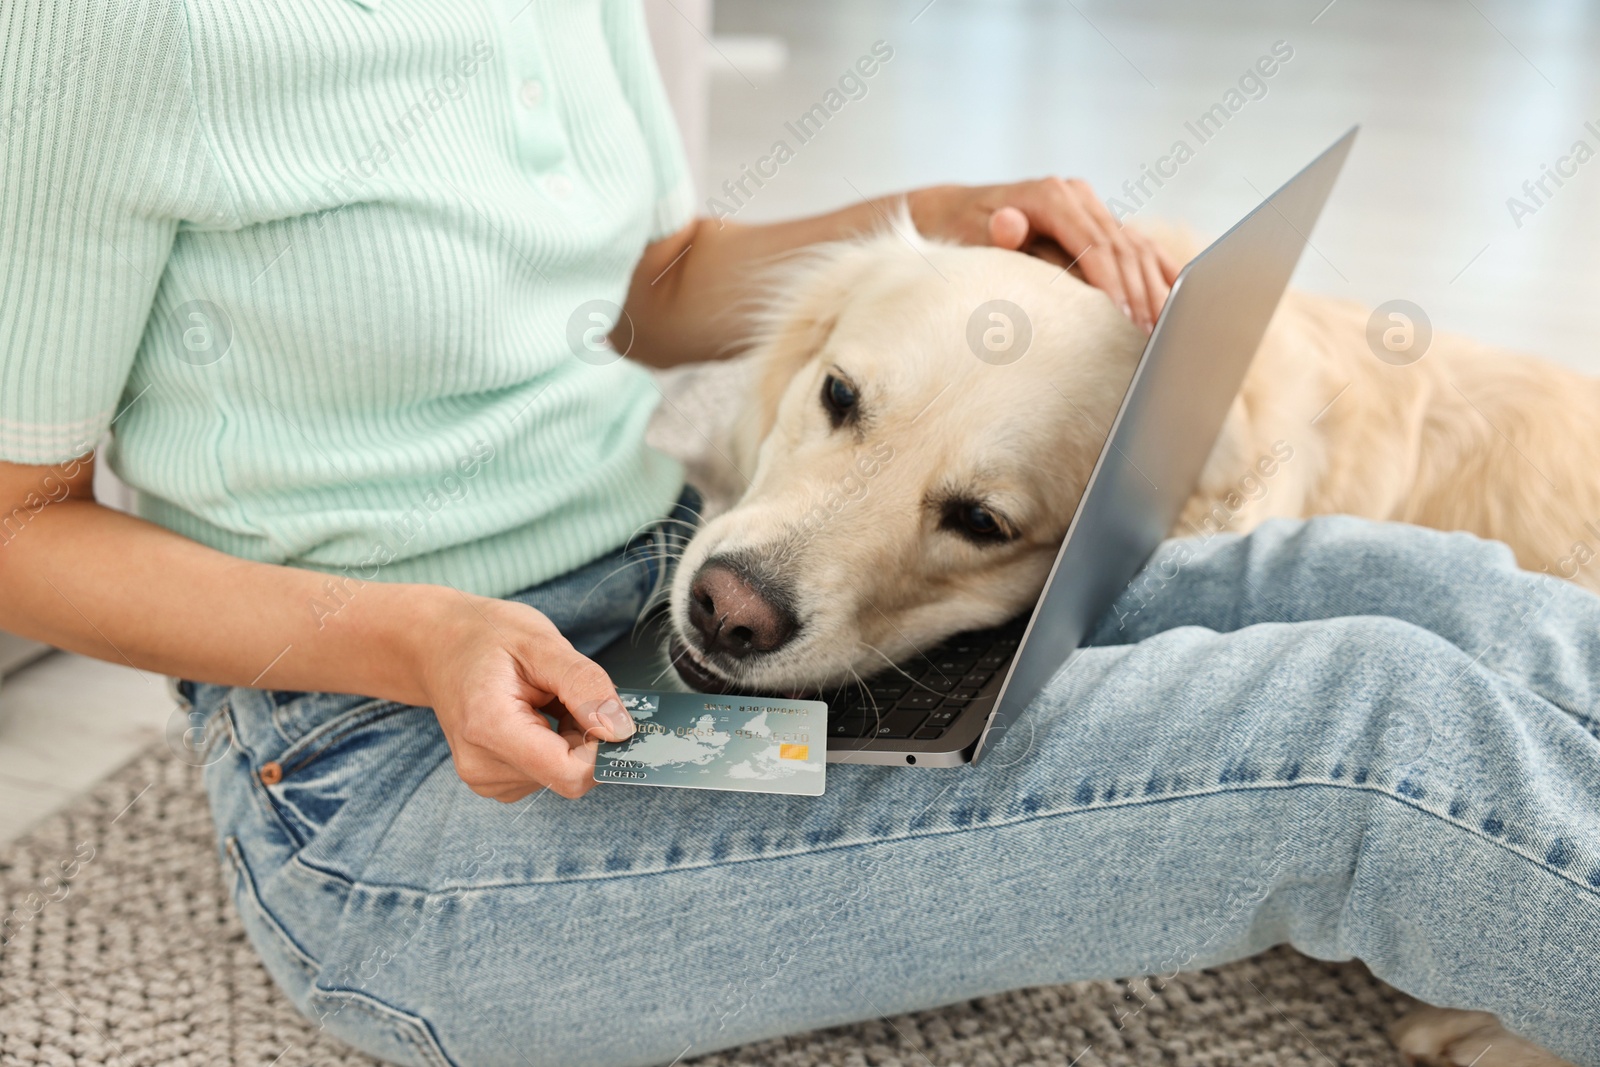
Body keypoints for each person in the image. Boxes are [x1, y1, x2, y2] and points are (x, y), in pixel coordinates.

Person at [2, 3, 1596, 1066]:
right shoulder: (116, 30)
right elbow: (20, 530)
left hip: (637, 608)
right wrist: (414, 639)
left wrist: (956, 211)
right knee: (1370, 740)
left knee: (1432, 593)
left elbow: (648, 276)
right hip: (391, 772)